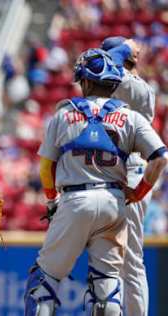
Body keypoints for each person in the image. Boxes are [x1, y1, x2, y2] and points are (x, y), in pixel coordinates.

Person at [24, 48, 168, 315]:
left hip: (75, 199)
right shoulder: (130, 116)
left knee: (43, 283)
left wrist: (51, 200)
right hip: (114, 203)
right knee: (106, 289)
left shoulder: (63, 113)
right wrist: (139, 192)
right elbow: (160, 158)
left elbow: (46, 167)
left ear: (86, 81)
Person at [101, 36, 154, 316]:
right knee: (109, 259)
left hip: (132, 171)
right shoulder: (109, 82)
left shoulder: (135, 88)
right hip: (108, 172)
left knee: (130, 259)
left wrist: (122, 50)